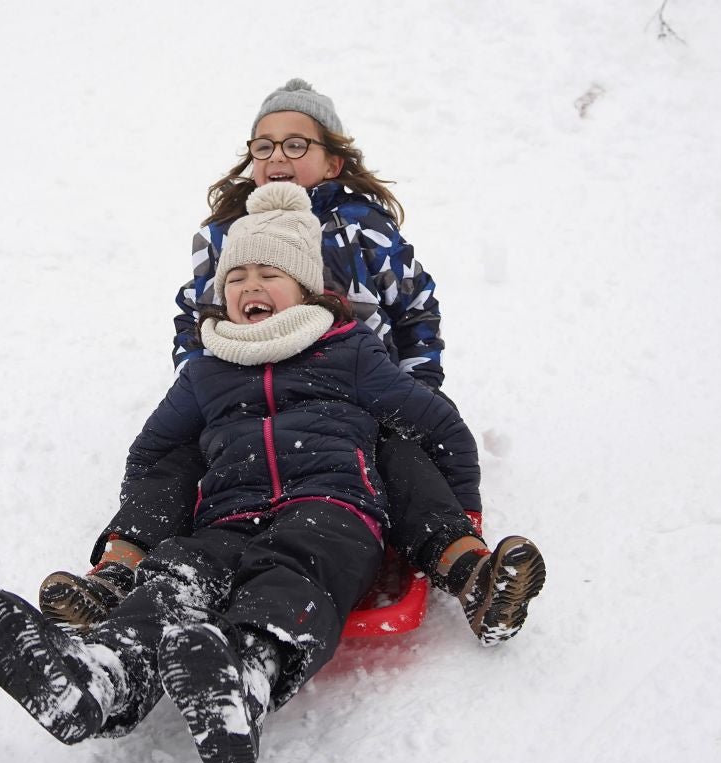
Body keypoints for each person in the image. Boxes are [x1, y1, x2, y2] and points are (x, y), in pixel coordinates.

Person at [0, 184, 545, 763]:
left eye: (268, 272)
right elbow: (158, 450)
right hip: (228, 516)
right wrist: (143, 527)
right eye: (236, 276)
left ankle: (246, 673)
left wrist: (463, 519)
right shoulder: (207, 371)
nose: (249, 286)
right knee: (177, 576)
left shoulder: (347, 353)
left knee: (296, 569)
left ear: (305, 287)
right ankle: (104, 677)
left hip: (333, 506)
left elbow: (436, 425)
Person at [38, 79, 538, 644]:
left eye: (297, 144)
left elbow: (415, 307)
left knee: (396, 455)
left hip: (351, 393)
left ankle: (465, 564)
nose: (279, 156)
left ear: (332, 162)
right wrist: (204, 379)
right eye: (264, 146)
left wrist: (417, 381)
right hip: (239, 389)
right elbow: (192, 309)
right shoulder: (226, 233)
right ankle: (120, 573)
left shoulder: (363, 230)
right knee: (180, 460)